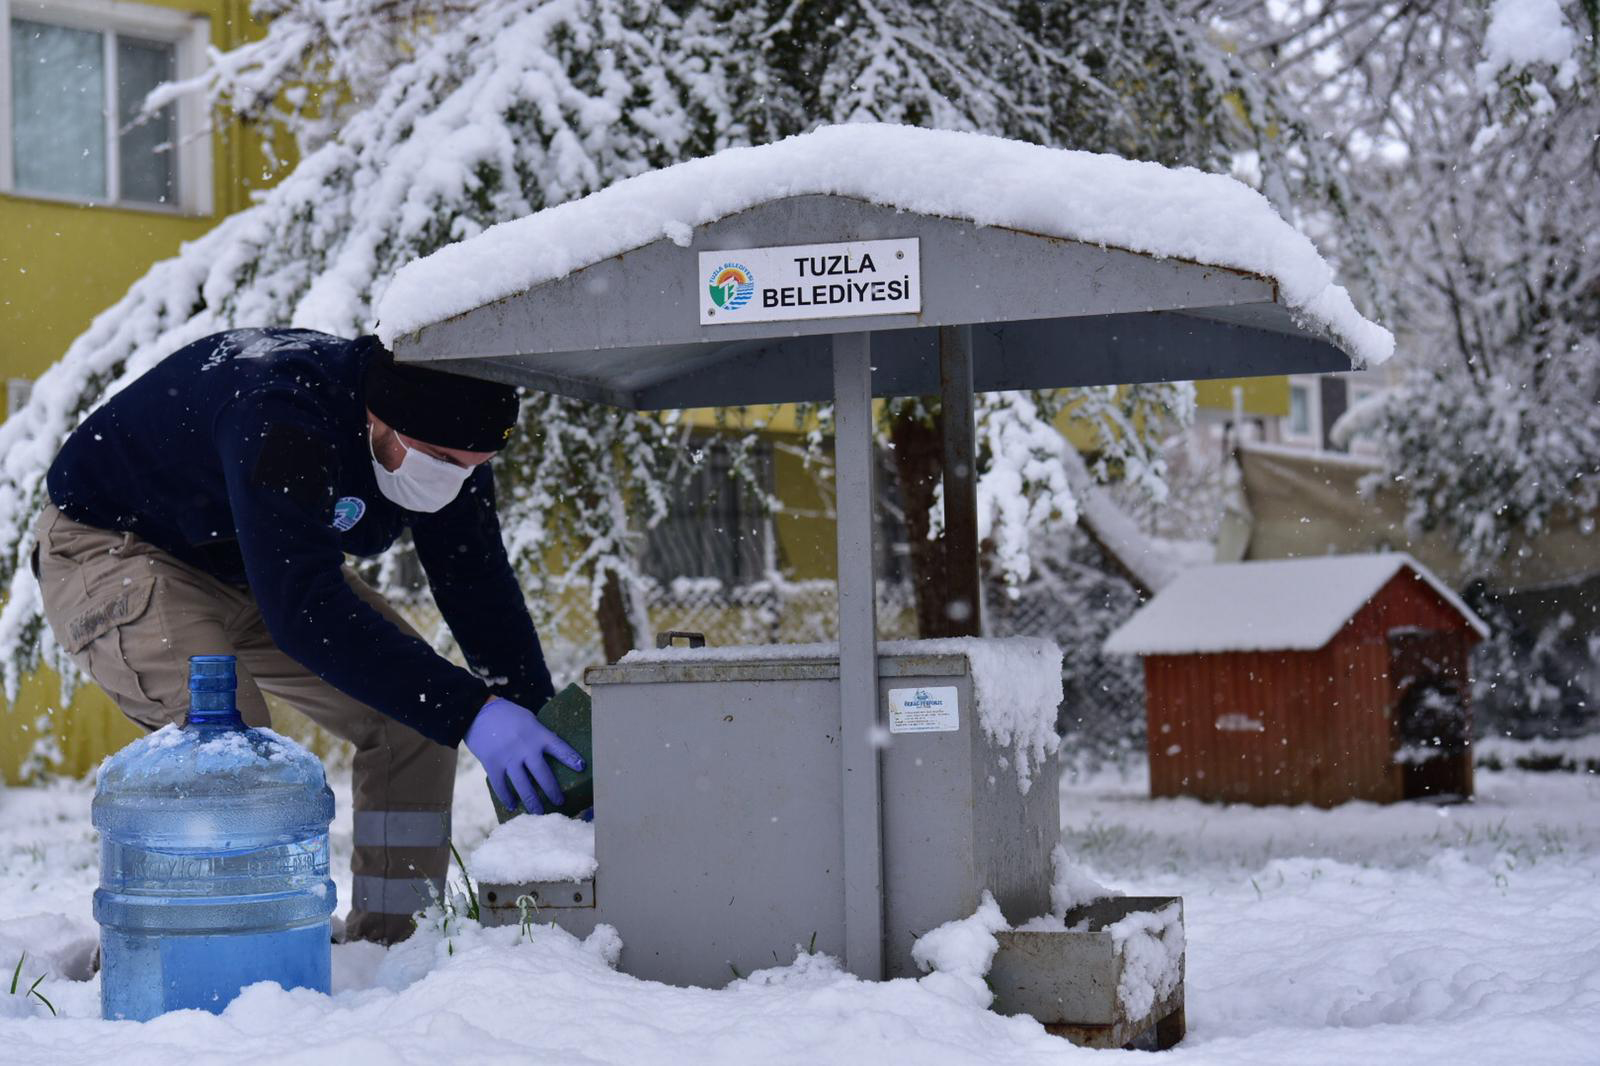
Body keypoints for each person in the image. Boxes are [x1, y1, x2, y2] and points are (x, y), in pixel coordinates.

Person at [34, 328, 582, 944]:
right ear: (378, 417)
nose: (453, 480)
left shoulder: (449, 434)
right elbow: (305, 611)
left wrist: (532, 714)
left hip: (253, 560)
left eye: (473, 468)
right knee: (224, 741)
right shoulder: (281, 411)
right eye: (442, 462)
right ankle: (205, 968)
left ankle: (391, 946)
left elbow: (475, 581)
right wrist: (472, 709)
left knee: (414, 723)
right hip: (115, 546)